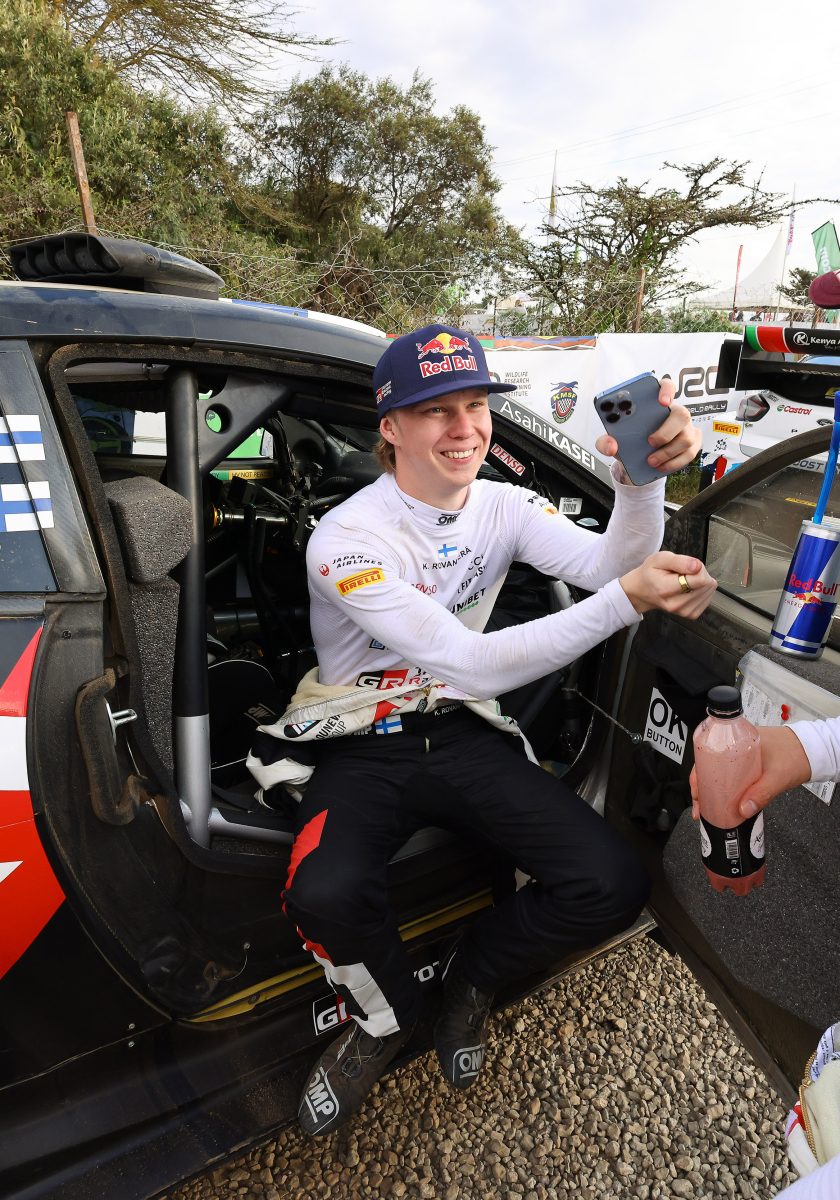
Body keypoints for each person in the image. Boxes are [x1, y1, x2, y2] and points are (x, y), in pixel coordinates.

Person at [250, 323, 716, 1138]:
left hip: (461, 727)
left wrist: (639, 481)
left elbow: (608, 565)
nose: (464, 427)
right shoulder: (346, 537)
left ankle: (473, 976)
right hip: (359, 734)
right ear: (390, 427)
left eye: (475, 405)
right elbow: (473, 660)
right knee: (322, 893)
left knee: (612, 882)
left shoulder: (505, 503)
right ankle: (387, 1019)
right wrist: (629, 601)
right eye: (436, 410)